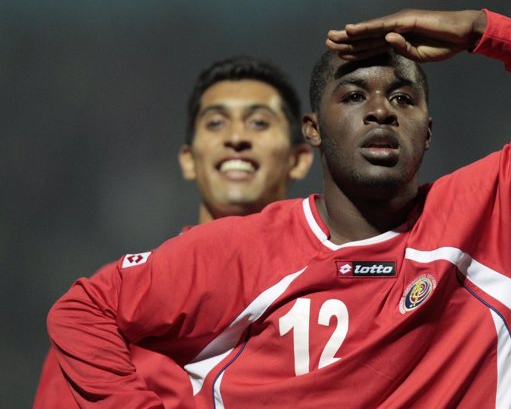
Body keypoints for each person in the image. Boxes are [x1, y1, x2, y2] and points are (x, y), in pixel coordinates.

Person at [46, 8, 511, 408]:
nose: (380, 111)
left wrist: (482, 31)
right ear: (312, 130)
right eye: (354, 95)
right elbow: (84, 310)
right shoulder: (242, 251)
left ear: (428, 131)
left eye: (403, 97)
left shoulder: (494, 217)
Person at [34, 56, 313, 408]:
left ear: (299, 159)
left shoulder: (339, 292)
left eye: (259, 122)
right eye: (216, 123)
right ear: (188, 159)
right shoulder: (109, 308)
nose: (237, 137)